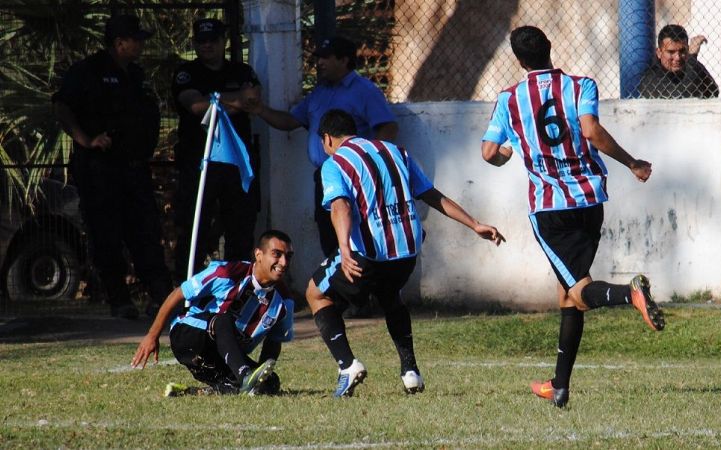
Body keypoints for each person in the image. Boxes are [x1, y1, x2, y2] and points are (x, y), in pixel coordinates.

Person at [481, 26, 666, 408]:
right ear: (550, 48)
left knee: (580, 290)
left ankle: (627, 294)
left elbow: (488, 152)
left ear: (519, 61)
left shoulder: (509, 99)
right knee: (568, 293)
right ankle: (559, 385)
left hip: (550, 209)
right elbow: (592, 131)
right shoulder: (581, 85)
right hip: (590, 199)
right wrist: (631, 162)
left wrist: (505, 154)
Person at [306, 109, 505, 398]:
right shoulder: (396, 151)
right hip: (408, 253)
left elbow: (342, 207)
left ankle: (347, 365)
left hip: (371, 256)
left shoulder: (335, 163)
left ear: (327, 139)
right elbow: (431, 194)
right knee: (390, 295)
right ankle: (410, 371)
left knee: (316, 293)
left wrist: (345, 251)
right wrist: (475, 224)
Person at [52, 14, 173, 320]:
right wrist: (85, 139)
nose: (141, 45)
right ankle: (119, 298)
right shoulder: (87, 72)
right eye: (136, 40)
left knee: (145, 230)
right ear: (120, 43)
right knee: (106, 232)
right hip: (100, 169)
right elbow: (62, 107)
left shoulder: (136, 75)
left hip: (133, 167)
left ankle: (160, 295)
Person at [251, 36, 398, 258]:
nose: (319, 63)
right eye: (318, 58)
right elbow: (291, 121)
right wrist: (260, 109)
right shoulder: (320, 92)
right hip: (325, 175)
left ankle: (361, 283)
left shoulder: (365, 91)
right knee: (328, 229)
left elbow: (388, 126)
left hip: (354, 175)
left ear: (344, 60)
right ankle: (337, 283)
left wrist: (372, 163)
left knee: (357, 229)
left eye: (325, 58)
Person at [131, 230, 295, 396]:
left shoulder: (283, 303)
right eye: (277, 254)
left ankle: (195, 392)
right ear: (258, 254)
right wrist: (152, 336)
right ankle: (245, 377)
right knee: (223, 320)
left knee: (271, 383)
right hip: (189, 336)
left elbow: (274, 341)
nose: (283, 262)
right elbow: (178, 294)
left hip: (222, 356)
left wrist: (261, 376)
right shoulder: (227, 273)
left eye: (288, 256)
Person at [172, 18, 264, 277]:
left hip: (236, 163)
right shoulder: (186, 73)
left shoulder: (241, 71)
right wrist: (234, 101)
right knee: (194, 225)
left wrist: (216, 99)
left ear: (223, 41)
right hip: (198, 162)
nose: (208, 46)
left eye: (213, 40)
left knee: (240, 226)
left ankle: (237, 284)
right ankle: (185, 285)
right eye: (201, 41)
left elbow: (254, 99)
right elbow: (197, 107)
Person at [638, 24, 719, 99]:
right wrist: (692, 57)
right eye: (671, 52)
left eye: (682, 51)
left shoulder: (692, 66)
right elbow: (679, 97)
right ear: (659, 53)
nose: (677, 57)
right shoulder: (651, 77)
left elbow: (714, 91)